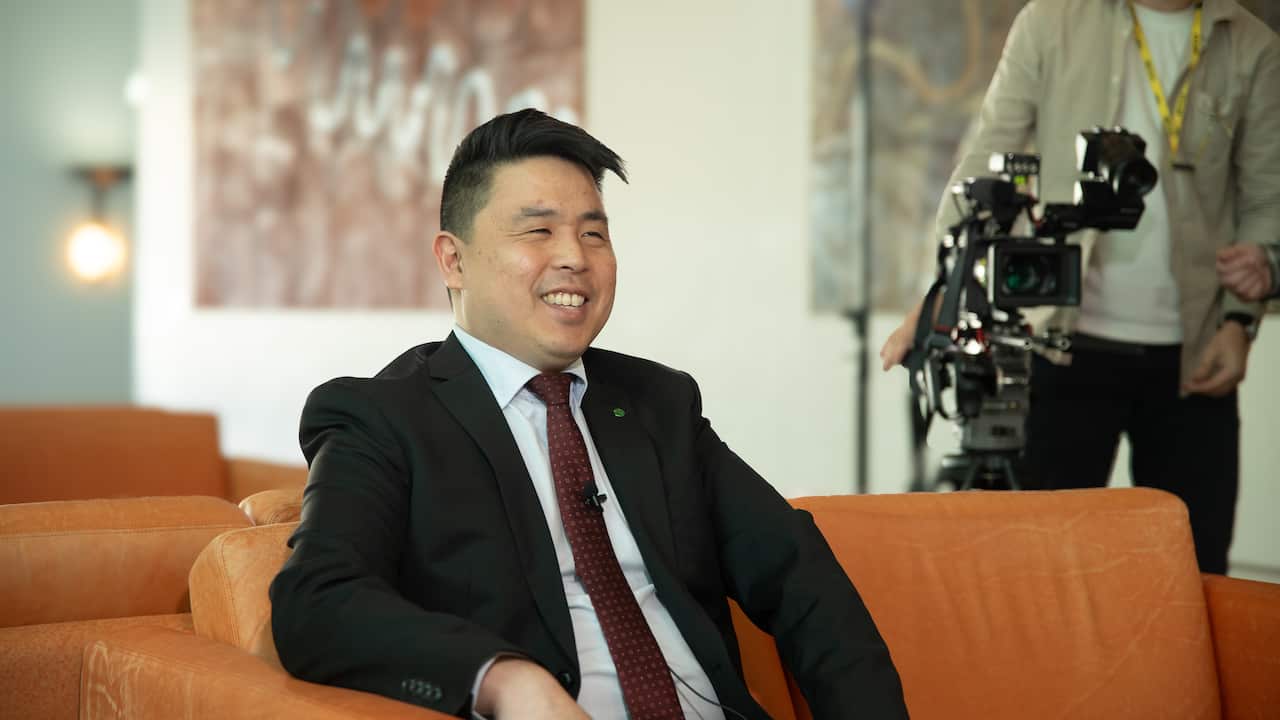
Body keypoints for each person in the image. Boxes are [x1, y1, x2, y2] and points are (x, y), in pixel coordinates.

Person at [270, 109, 908, 720]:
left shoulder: (659, 403)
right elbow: (318, 602)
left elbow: (799, 576)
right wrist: (502, 680)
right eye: (538, 231)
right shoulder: (380, 416)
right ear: (453, 259)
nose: (574, 256)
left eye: (593, 232)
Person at [881, 0, 1280, 575]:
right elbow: (985, 160)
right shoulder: (1051, 21)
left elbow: (1267, 198)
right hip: (1056, 347)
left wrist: (1245, 314)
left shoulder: (1255, 46)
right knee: (1038, 575)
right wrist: (944, 287)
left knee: (1193, 578)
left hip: (1197, 360)